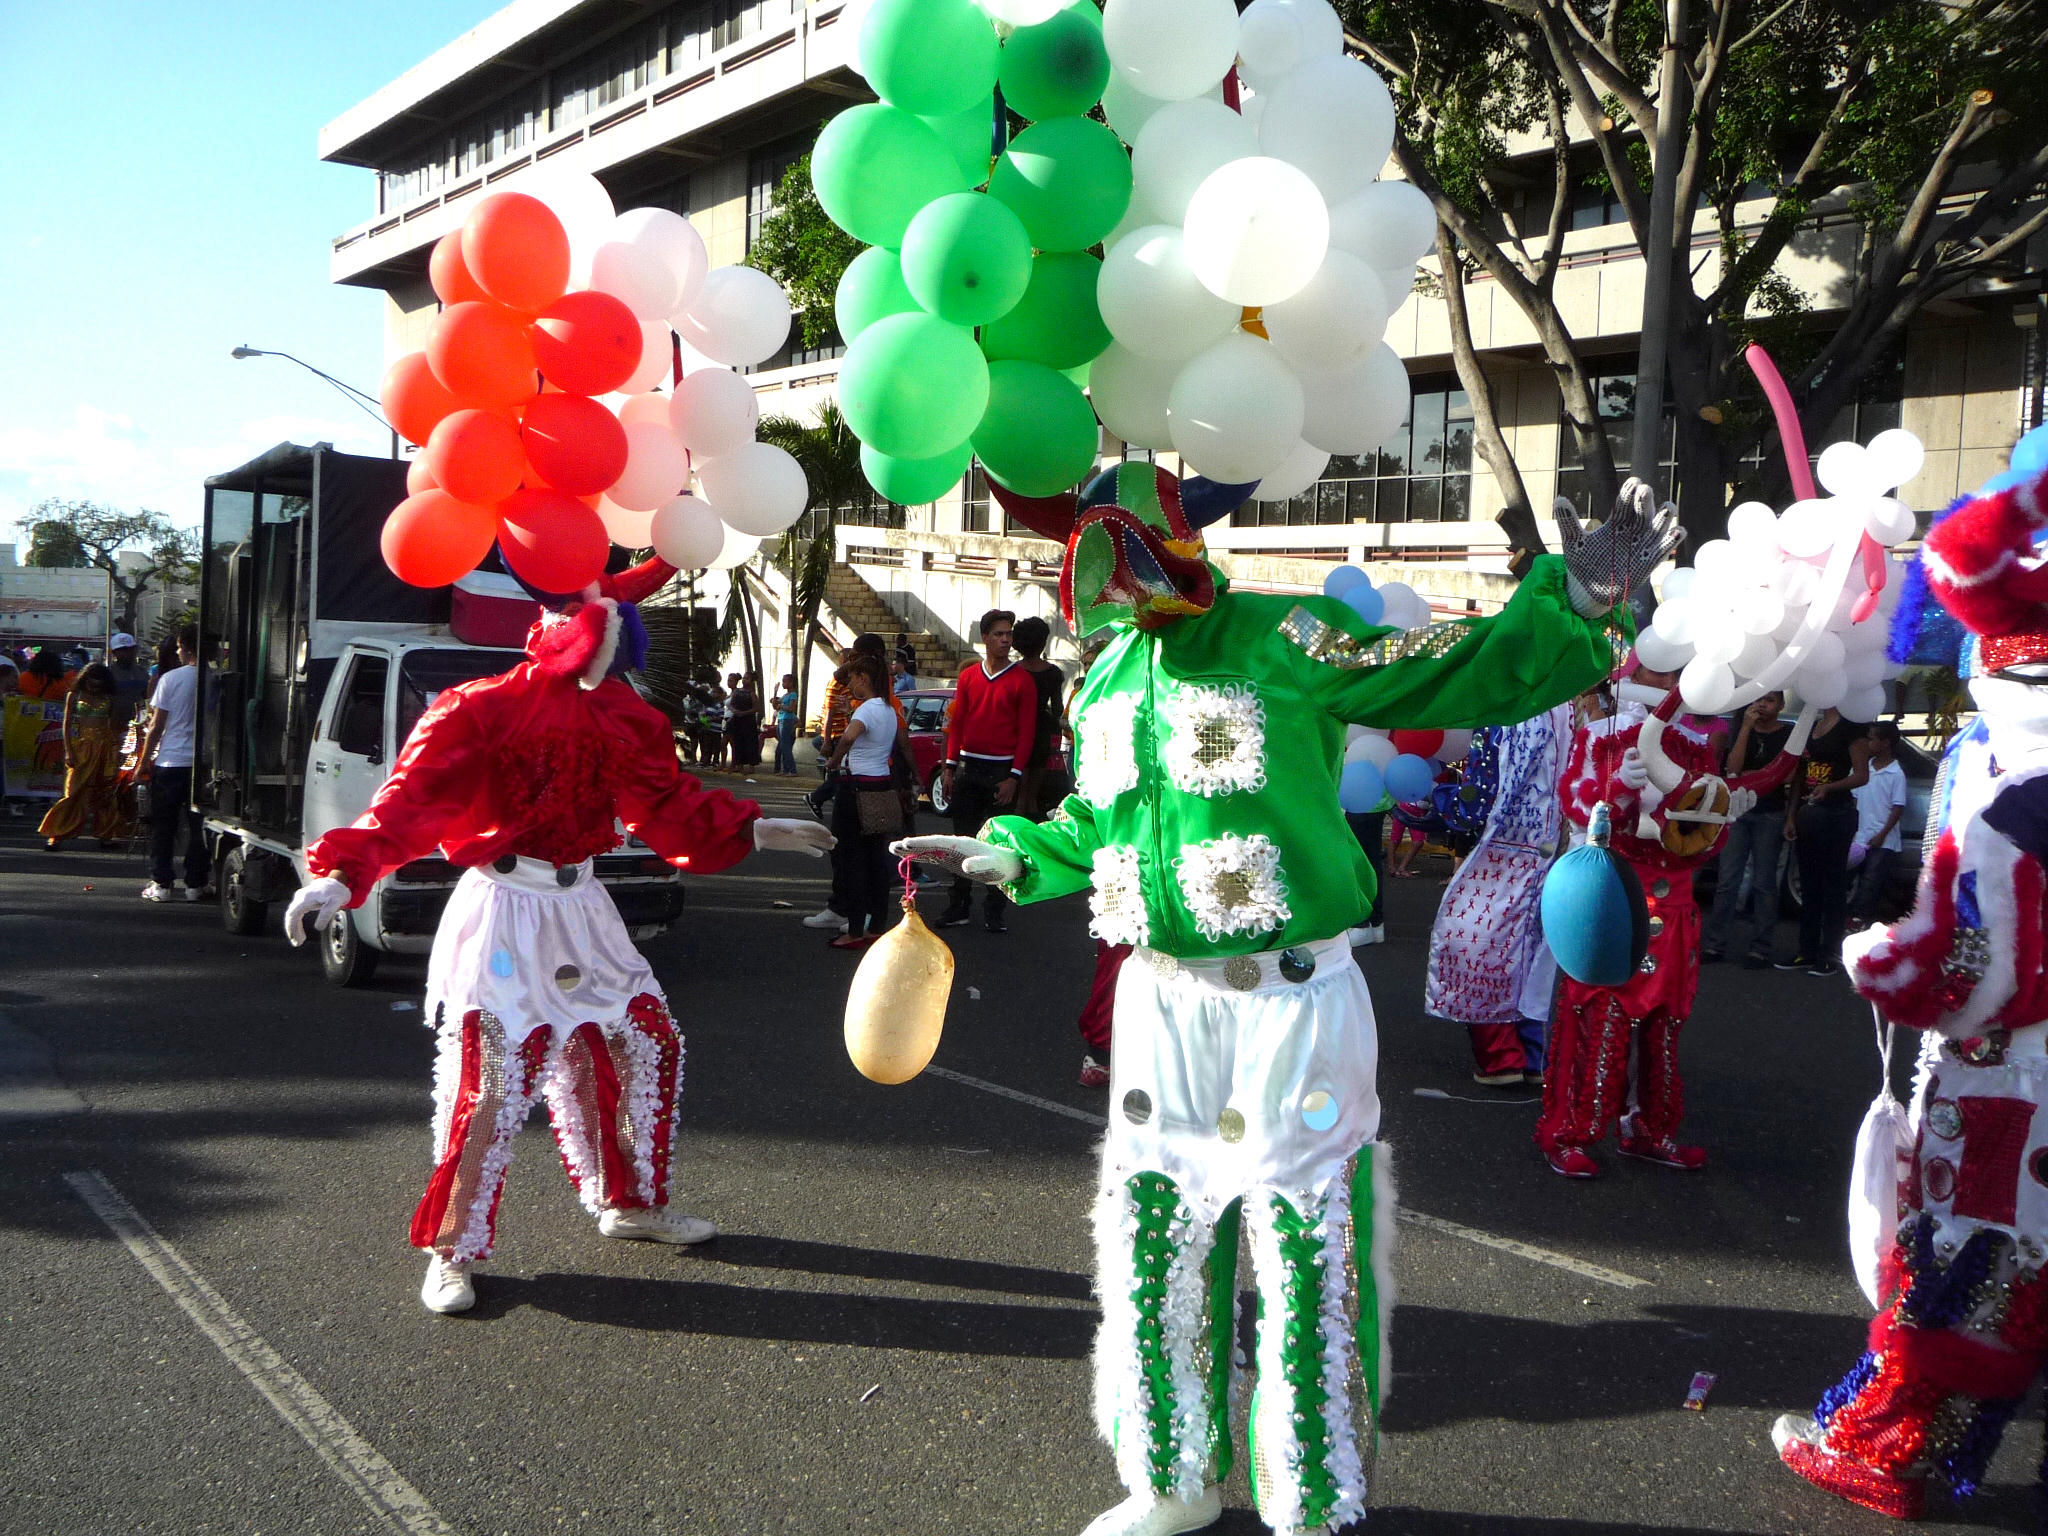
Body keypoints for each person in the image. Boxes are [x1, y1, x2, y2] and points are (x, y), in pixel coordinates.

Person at [899, 465, 1670, 1536]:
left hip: (1290, 1003)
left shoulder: (1289, 635)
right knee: (1151, 1235)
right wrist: (1011, 851)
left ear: (1173, 544)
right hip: (1160, 1006)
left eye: (1127, 553)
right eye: (1093, 564)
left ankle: (1311, 1497)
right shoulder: (1109, 675)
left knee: (1304, 1243)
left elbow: (1447, 670)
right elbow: (1100, 823)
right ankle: (1167, 1480)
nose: (1114, 585)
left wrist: (1575, 603)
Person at [282, 559, 833, 1316]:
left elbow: (665, 806)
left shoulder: (626, 717)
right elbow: (409, 803)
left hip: (583, 906)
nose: (609, 660)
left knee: (645, 1042)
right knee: (493, 1084)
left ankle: (629, 1200)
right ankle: (451, 1248)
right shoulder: (479, 708)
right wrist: (341, 877)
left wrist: (757, 828)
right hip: (506, 908)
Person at [1772, 451, 2048, 1520]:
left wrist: (1871, 959)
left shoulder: (2004, 788)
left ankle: (1888, 1456)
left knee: (1962, 1268)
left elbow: (1968, 968)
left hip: (2004, 1085)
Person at [1534, 665, 1797, 1178]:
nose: (1670, 676)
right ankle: (1572, 1133)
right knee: (1600, 1020)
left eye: (1679, 669)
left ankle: (1651, 1130)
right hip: (1617, 900)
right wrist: (1616, 791)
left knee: (1663, 1029)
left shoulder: (1697, 746)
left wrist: (1725, 815)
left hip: (1675, 910)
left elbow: (1700, 835)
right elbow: (1578, 802)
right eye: (1662, 668)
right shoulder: (1600, 735)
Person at [1426, 706, 1573, 1086]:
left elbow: (1477, 802)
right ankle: (1532, 1056)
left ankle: (1500, 1057)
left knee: (1478, 949)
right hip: (1547, 849)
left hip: (1500, 852)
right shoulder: (1568, 708)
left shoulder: (1502, 714)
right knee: (1532, 957)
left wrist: (1437, 798)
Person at [939, 609, 1036, 934]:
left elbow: (1027, 733)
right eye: (998, 634)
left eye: (1008, 634)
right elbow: (959, 724)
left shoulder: (1023, 679)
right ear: (985, 638)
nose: (1005, 639)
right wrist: (950, 768)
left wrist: (1014, 777)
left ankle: (995, 910)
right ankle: (959, 906)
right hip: (970, 767)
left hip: (1002, 772)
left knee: (998, 846)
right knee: (961, 841)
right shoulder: (968, 677)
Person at [1774, 704, 1871, 976]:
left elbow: (1862, 775)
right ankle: (1806, 950)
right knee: (1809, 885)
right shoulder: (1809, 727)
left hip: (1837, 814)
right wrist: (1791, 816)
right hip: (1809, 815)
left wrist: (1829, 788)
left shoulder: (1852, 728)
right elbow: (1799, 776)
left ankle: (1830, 953)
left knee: (1833, 886)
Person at [1702, 691, 1793, 967]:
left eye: (1770, 700)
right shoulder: (1742, 728)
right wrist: (1745, 729)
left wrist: (1790, 815)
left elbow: (1786, 775)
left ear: (1781, 705)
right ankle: (1715, 945)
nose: (1762, 705)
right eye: (1759, 699)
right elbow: (1732, 769)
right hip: (1737, 813)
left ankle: (1760, 948)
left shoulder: (1788, 733)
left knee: (1764, 883)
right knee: (1727, 880)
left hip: (1771, 813)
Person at [820, 656, 902, 950]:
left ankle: (854, 929)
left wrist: (834, 760)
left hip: (855, 788)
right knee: (876, 860)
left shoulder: (866, 709)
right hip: (881, 785)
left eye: (853, 679)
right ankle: (876, 925)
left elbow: (849, 738)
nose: (851, 685)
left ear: (864, 679)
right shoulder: (889, 709)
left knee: (851, 859)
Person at [135, 625, 211, 903]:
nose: (177, 652)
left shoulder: (170, 679)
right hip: (203, 764)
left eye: (179, 647)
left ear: (186, 647)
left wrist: (143, 762)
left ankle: (162, 883)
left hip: (170, 762)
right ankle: (196, 884)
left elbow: (156, 725)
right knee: (199, 828)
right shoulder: (215, 679)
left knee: (163, 826)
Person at [39, 663, 128, 850]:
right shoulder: (75, 695)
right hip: (81, 749)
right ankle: (57, 834)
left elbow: (114, 726)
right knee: (73, 792)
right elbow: (65, 725)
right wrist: (69, 751)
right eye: (90, 683)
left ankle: (106, 835)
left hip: (106, 748)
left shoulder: (109, 698)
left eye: (98, 684)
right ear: (84, 680)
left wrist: (119, 751)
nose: (93, 688)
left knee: (106, 792)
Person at [1848, 720, 1906, 926]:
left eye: (1871, 739)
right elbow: (1854, 800)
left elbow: (1898, 806)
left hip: (1883, 838)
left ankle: (1860, 918)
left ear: (1886, 743)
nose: (1868, 743)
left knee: (1871, 880)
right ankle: (1847, 914)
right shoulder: (1863, 769)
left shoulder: (1896, 774)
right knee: (1850, 876)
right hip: (1860, 835)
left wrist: (1883, 833)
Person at [1012, 615, 1068, 819]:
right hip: (1040, 729)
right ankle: (1033, 824)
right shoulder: (1053, 673)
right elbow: (1057, 708)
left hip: (1015, 728)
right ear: (1043, 641)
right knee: (1034, 790)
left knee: (1018, 783)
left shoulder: (1012, 671)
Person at [105, 633, 150, 734]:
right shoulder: (107, 674)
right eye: (123, 650)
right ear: (114, 653)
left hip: (139, 727)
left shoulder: (142, 672)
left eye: (131, 649)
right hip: (115, 729)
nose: (128, 653)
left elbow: (148, 698)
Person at [726, 672, 762, 770]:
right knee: (738, 743)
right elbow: (731, 704)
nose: (744, 680)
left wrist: (745, 713)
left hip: (748, 721)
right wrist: (735, 711)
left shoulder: (752, 693)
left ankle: (751, 766)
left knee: (750, 743)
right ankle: (739, 765)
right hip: (737, 720)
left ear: (751, 681)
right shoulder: (737, 692)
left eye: (747, 678)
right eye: (744, 678)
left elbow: (756, 708)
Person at [773, 673, 800, 776]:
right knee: (782, 746)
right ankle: (785, 770)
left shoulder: (793, 694)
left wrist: (782, 706)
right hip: (780, 720)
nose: (783, 683)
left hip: (787, 720)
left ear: (791, 683)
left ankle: (792, 769)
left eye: (785, 681)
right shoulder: (785, 695)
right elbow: (775, 705)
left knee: (786, 746)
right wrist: (775, 692)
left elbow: (791, 709)